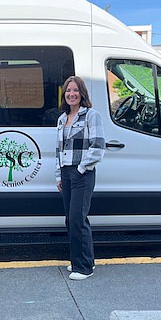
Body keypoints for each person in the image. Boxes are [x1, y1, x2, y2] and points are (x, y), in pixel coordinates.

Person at [55, 76, 105, 280]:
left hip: (82, 173)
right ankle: (81, 260)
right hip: (66, 173)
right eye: (68, 90)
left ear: (82, 93)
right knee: (71, 219)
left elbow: (98, 146)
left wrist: (81, 169)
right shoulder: (62, 119)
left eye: (75, 90)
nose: (71, 94)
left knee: (77, 219)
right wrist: (59, 174)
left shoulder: (91, 116)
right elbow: (58, 149)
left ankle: (84, 267)